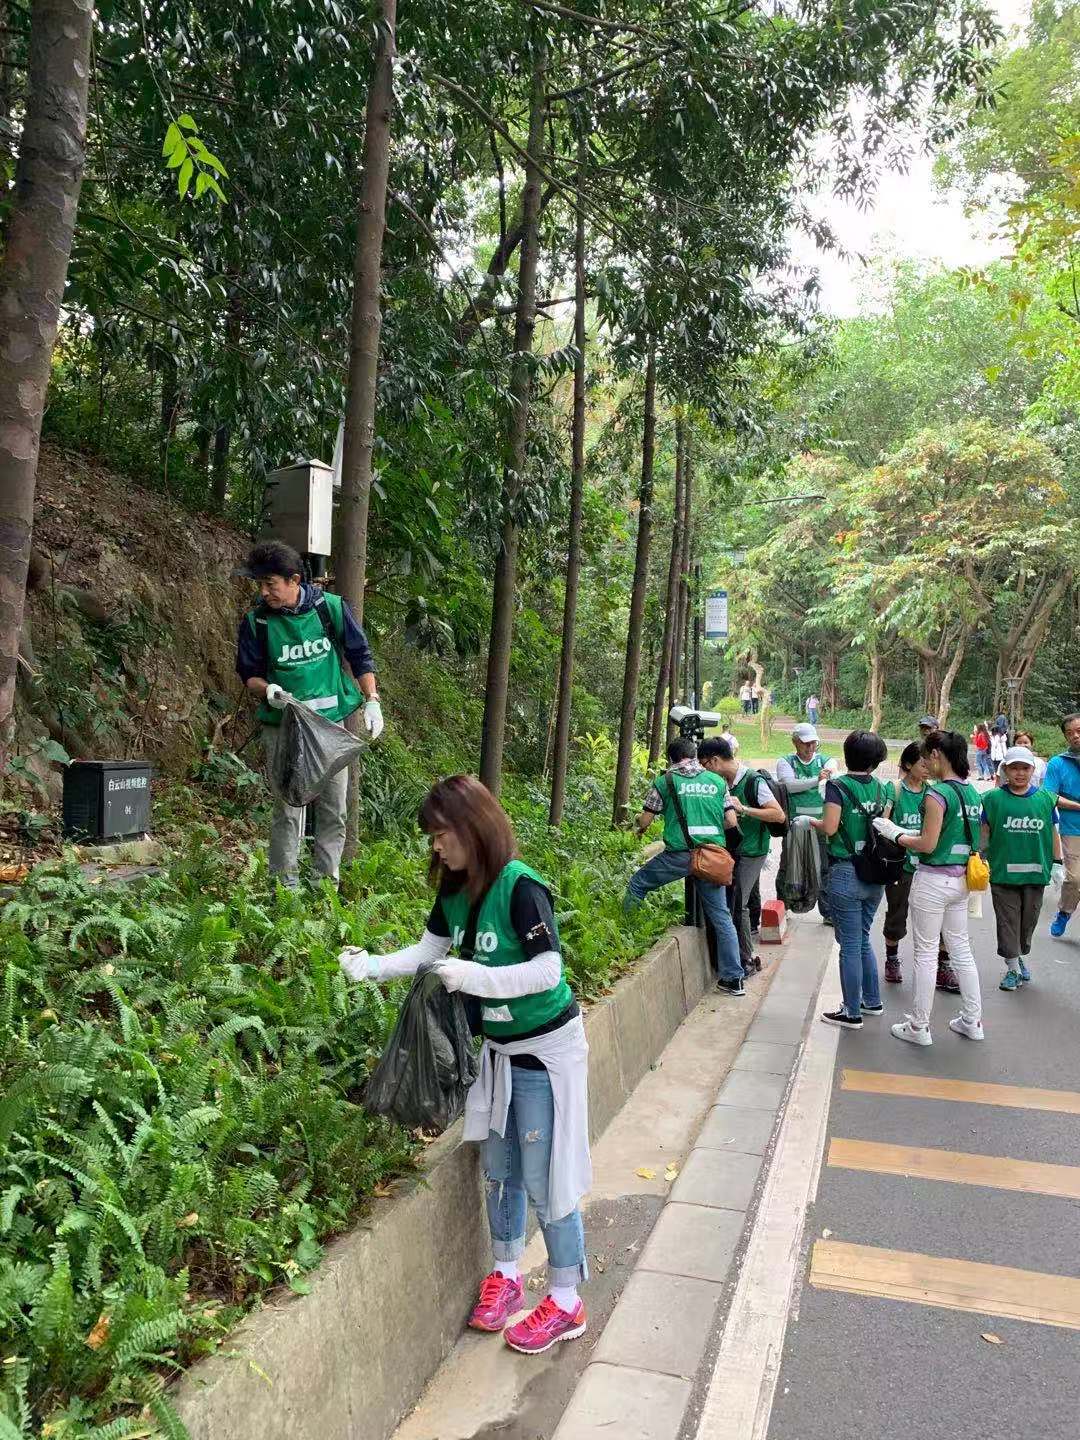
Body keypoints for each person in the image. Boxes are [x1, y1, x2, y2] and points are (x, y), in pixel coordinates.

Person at [339, 775, 590, 1354]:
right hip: (498, 1051)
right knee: (499, 1166)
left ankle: (566, 1300)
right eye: (432, 837)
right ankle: (506, 1273)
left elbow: (548, 971)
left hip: (545, 1053)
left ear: (472, 828)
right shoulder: (454, 890)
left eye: (442, 834)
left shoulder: (521, 888)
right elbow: (428, 953)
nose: (436, 846)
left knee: (546, 1175)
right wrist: (371, 966)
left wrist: (476, 976)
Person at [235, 540, 383, 889]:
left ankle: (325, 887)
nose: (264, 592)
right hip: (284, 726)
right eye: (260, 585)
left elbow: (360, 655)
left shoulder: (329, 608)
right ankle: (284, 890)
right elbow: (249, 675)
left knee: (333, 808)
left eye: (271, 584)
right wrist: (267, 690)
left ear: (294, 580)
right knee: (288, 809)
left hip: (330, 726)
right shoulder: (258, 622)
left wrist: (372, 699)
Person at [875, 730, 984, 1047]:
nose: (925, 764)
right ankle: (972, 1021)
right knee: (961, 950)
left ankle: (919, 1026)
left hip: (933, 881)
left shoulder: (937, 794)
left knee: (925, 954)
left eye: (927, 757)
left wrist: (895, 834)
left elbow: (927, 843)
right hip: (961, 880)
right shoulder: (972, 793)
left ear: (937, 754)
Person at [627, 738, 746, 995]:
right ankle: (734, 978)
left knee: (637, 884)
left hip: (678, 857)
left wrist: (638, 824)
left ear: (671, 759)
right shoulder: (717, 782)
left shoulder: (665, 782)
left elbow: (645, 820)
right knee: (722, 917)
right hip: (711, 858)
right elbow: (730, 821)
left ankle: (627, 939)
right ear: (694, 756)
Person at [808, 730, 891, 1029]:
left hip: (845, 872)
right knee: (863, 939)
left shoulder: (837, 786)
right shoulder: (881, 788)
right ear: (875, 761)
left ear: (847, 755)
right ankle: (872, 1001)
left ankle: (851, 1012)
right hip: (875, 873)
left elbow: (830, 827)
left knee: (851, 945)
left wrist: (809, 821)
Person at [700, 739, 786, 976]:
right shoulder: (721, 783)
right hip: (733, 851)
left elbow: (778, 815)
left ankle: (746, 960)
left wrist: (744, 809)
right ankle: (741, 957)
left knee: (739, 905)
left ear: (715, 761)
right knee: (740, 901)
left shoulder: (753, 781)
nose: (704, 771)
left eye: (704, 765)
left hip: (752, 851)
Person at [981, 746, 1063, 991]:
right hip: (1003, 875)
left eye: (1024, 768)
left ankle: (1017, 956)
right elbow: (984, 832)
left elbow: (1053, 833)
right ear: (1005, 770)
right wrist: (980, 857)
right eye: (1014, 768)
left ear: (1032, 770)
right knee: (1008, 922)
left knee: (1028, 922)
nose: (1019, 773)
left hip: (1035, 875)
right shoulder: (992, 799)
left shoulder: (1046, 799)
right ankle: (1012, 968)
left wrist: (1057, 863)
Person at [775, 723, 835, 925]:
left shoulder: (825, 760)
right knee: (788, 865)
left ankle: (828, 912)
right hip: (794, 825)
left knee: (825, 868)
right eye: (805, 743)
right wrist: (816, 780)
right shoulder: (786, 762)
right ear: (795, 742)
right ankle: (781, 907)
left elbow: (833, 771)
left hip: (820, 825)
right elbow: (789, 786)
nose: (810, 747)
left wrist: (826, 774)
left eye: (813, 743)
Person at [881, 743, 929, 986]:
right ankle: (892, 959)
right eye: (923, 763)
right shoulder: (895, 789)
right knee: (897, 913)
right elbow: (883, 823)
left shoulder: (933, 792)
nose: (928, 767)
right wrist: (903, 834)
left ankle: (940, 964)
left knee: (933, 918)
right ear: (908, 764)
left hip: (928, 866)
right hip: (900, 865)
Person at [1045, 712, 1080, 938]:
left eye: (1079, 731)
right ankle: (1065, 911)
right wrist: (1077, 806)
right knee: (1075, 878)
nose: (1075, 736)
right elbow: (1049, 796)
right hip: (1072, 829)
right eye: (1070, 733)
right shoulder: (1058, 763)